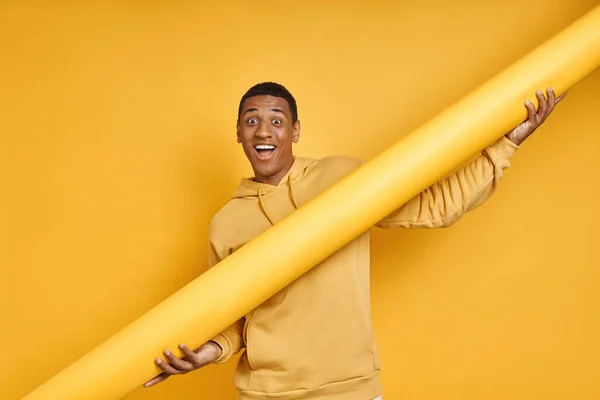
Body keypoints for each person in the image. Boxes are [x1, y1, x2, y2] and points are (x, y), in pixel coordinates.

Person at [144, 82, 565, 399]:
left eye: (277, 119)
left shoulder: (342, 178)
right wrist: (212, 350)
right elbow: (236, 319)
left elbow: (436, 206)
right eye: (251, 120)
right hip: (266, 394)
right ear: (238, 132)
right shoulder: (225, 224)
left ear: (295, 130)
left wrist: (507, 143)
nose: (263, 131)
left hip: (351, 391)